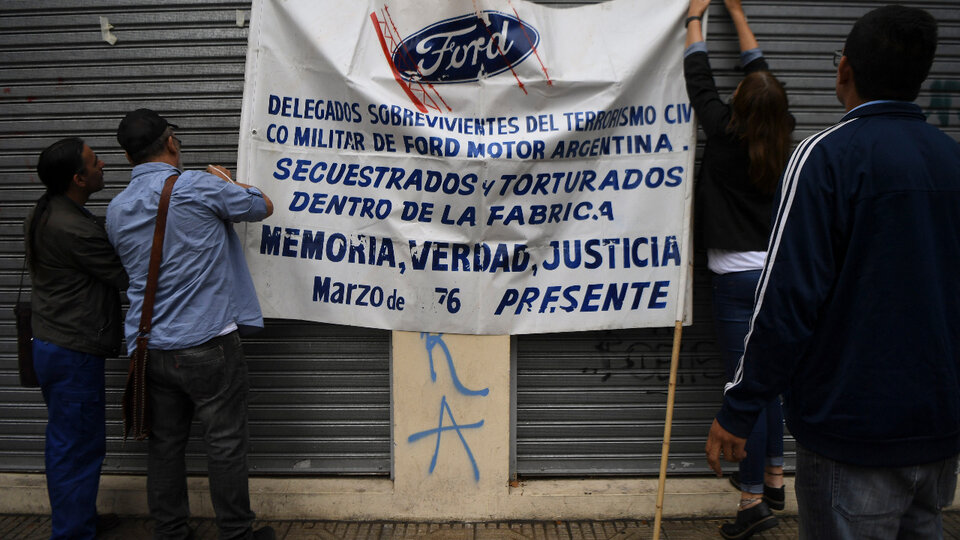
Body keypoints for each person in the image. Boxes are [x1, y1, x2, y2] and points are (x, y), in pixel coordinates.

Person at [705, 5, 960, 539]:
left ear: (843, 70)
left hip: (850, 434)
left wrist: (741, 405)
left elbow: (788, 300)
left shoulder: (824, 157)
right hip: (938, 433)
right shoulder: (949, 158)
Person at [106, 109, 275, 540]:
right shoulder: (199, 186)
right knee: (225, 444)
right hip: (208, 345)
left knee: (164, 447)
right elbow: (261, 207)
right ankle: (237, 533)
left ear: (128, 158)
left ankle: (171, 532)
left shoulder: (117, 208)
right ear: (172, 142)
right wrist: (231, 183)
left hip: (150, 348)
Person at [684, 0, 794, 537]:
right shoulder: (782, 135)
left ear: (739, 104)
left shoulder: (725, 134)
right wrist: (737, 12)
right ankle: (774, 476)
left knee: (745, 387)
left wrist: (694, 18)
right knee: (765, 381)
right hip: (773, 276)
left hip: (733, 282)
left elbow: (697, 74)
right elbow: (761, 78)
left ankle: (752, 502)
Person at [25, 138, 127, 539]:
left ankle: (77, 518)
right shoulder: (74, 228)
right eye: (94, 161)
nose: (104, 164)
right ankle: (71, 532)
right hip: (72, 350)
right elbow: (124, 275)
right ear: (78, 178)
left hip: (52, 341)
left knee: (70, 441)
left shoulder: (44, 209)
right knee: (78, 446)